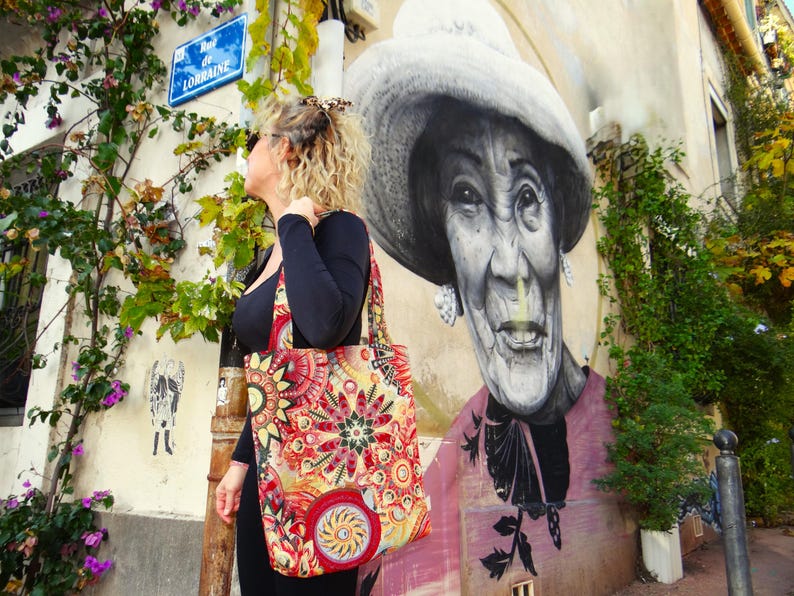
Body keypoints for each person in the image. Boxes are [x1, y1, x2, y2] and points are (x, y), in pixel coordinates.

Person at [346, 0, 625, 593]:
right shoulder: (453, 464)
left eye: (526, 199)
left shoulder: (622, 426)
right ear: (443, 247)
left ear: (557, 228)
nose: (508, 266)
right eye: (467, 198)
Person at [214, 95, 372, 595]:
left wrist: (293, 225)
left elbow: (326, 325)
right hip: (267, 470)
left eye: (256, 141)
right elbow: (274, 374)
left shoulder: (339, 231)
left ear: (283, 150)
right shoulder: (267, 254)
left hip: (322, 477)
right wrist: (241, 464)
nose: (248, 154)